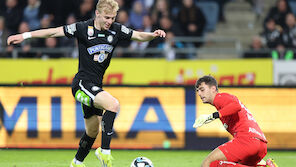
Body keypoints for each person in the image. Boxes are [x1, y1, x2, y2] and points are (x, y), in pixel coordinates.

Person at [7, 0, 166, 167]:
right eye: (106, 17)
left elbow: (139, 35)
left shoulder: (116, 30)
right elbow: (54, 33)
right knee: (113, 105)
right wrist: (24, 36)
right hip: (82, 84)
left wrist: (153, 35)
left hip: (95, 86)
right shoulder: (83, 28)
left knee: (92, 131)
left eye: (112, 18)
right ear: (97, 14)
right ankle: (104, 151)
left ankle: (76, 162)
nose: (109, 21)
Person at [193, 75, 278, 167]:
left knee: (208, 163)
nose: (199, 94)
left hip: (247, 141)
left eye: (202, 90)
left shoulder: (220, 98)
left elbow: (236, 106)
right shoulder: (224, 105)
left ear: (213, 88)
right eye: (197, 91)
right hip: (260, 144)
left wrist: (212, 116)